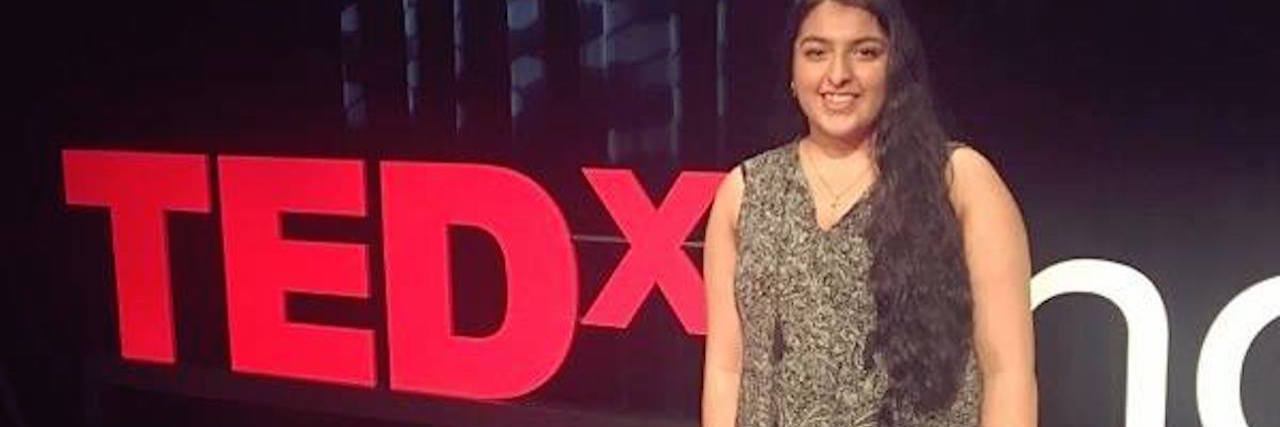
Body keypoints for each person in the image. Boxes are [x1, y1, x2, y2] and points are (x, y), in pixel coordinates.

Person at [700, 0, 1037, 426]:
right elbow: (726, 371)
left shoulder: (960, 181)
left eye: (865, 52)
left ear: (895, 66)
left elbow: (1009, 374)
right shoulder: (745, 190)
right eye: (816, 52)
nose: (838, 74)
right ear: (792, 69)